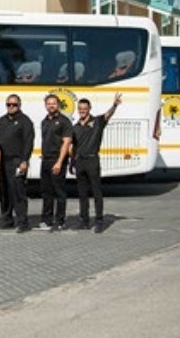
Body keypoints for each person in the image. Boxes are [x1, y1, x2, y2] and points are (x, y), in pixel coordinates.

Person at [72, 93, 122, 234]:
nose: (82, 111)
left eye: (85, 109)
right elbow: (74, 147)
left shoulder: (97, 122)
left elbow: (108, 115)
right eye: (80, 109)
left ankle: (99, 221)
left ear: (89, 109)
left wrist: (115, 105)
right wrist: (72, 162)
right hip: (80, 161)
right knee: (82, 193)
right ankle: (84, 221)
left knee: (96, 192)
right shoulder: (75, 127)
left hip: (92, 160)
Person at [0, 94, 35, 233]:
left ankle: (23, 222)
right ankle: (7, 219)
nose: (11, 107)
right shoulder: (2, 121)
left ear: (19, 105)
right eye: (8, 104)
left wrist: (25, 160)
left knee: (18, 192)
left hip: (17, 161)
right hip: (3, 161)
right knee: (4, 193)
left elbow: (28, 142)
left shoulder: (25, 121)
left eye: (14, 104)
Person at [39, 94, 73, 231]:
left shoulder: (64, 121)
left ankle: (60, 220)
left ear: (58, 105)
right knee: (46, 192)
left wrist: (59, 162)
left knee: (59, 192)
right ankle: (46, 220)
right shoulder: (44, 121)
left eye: (53, 103)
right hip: (46, 160)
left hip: (57, 160)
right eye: (48, 104)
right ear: (45, 106)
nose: (51, 106)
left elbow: (66, 142)